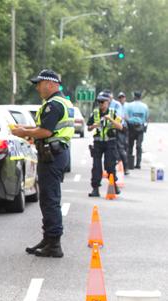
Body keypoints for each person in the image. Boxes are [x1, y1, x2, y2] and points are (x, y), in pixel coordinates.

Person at [11, 69, 73, 258]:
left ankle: (54, 244)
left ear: (50, 84)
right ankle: (48, 238)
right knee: (47, 198)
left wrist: (23, 133)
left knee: (50, 200)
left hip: (52, 155)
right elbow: (45, 128)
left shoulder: (53, 105)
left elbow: (45, 132)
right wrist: (24, 129)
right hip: (55, 153)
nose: (38, 87)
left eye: (39, 83)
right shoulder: (60, 102)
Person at [87, 92, 123, 197]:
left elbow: (120, 127)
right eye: (99, 102)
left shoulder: (113, 113)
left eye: (103, 102)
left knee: (110, 165)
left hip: (110, 142)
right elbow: (88, 128)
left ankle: (113, 185)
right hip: (98, 142)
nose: (101, 104)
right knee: (96, 167)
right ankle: (95, 189)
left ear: (108, 103)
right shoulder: (95, 113)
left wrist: (110, 119)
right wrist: (94, 125)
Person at [125, 91, 150, 169]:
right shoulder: (145, 106)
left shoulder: (129, 105)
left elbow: (126, 116)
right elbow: (147, 118)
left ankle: (129, 163)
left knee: (130, 146)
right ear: (140, 97)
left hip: (131, 127)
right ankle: (138, 164)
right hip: (140, 128)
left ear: (134, 96)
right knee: (139, 146)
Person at [116, 92, 130, 175]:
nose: (121, 99)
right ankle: (122, 166)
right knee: (118, 147)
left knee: (123, 147)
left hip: (125, 128)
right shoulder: (117, 106)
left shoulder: (128, 106)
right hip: (118, 128)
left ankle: (125, 166)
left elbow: (128, 117)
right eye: (120, 97)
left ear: (125, 98)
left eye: (123, 97)